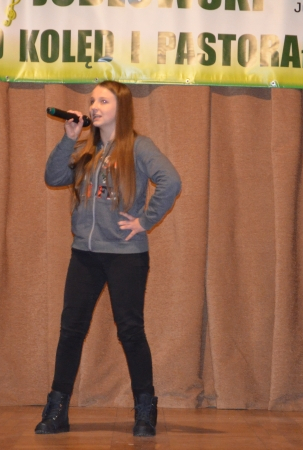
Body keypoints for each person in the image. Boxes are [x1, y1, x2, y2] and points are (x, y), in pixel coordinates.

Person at [37, 81, 181, 437]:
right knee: (71, 330)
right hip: (84, 255)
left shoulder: (139, 147)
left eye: (104, 100)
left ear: (122, 107)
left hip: (124, 255)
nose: (94, 106)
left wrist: (144, 221)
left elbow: (170, 181)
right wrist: (69, 138)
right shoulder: (87, 149)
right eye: (92, 100)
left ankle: (145, 409)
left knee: (130, 330)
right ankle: (57, 409)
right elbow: (54, 176)